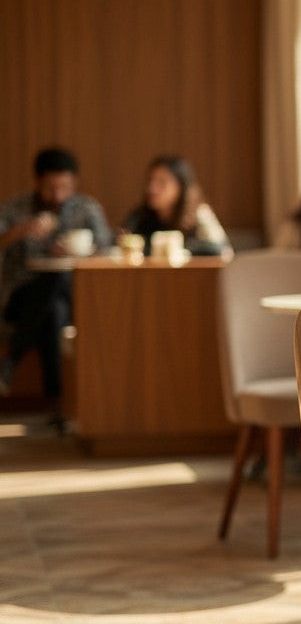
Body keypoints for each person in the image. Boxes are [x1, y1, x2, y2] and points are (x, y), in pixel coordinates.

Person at [0, 147, 111, 422]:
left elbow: (108, 250)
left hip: (75, 298)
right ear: (37, 182)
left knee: (56, 300)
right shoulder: (17, 208)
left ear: (75, 183)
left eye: (65, 187)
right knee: (52, 305)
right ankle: (59, 407)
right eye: (51, 187)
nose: (58, 195)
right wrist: (21, 230)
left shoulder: (87, 209)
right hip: (19, 298)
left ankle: (10, 366)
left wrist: (80, 253)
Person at [122, 155, 231, 257]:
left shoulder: (199, 214)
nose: (152, 189)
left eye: (162, 182)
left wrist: (177, 250)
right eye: (151, 181)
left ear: (181, 187)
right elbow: (122, 242)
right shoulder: (140, 215)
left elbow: (223, 251)